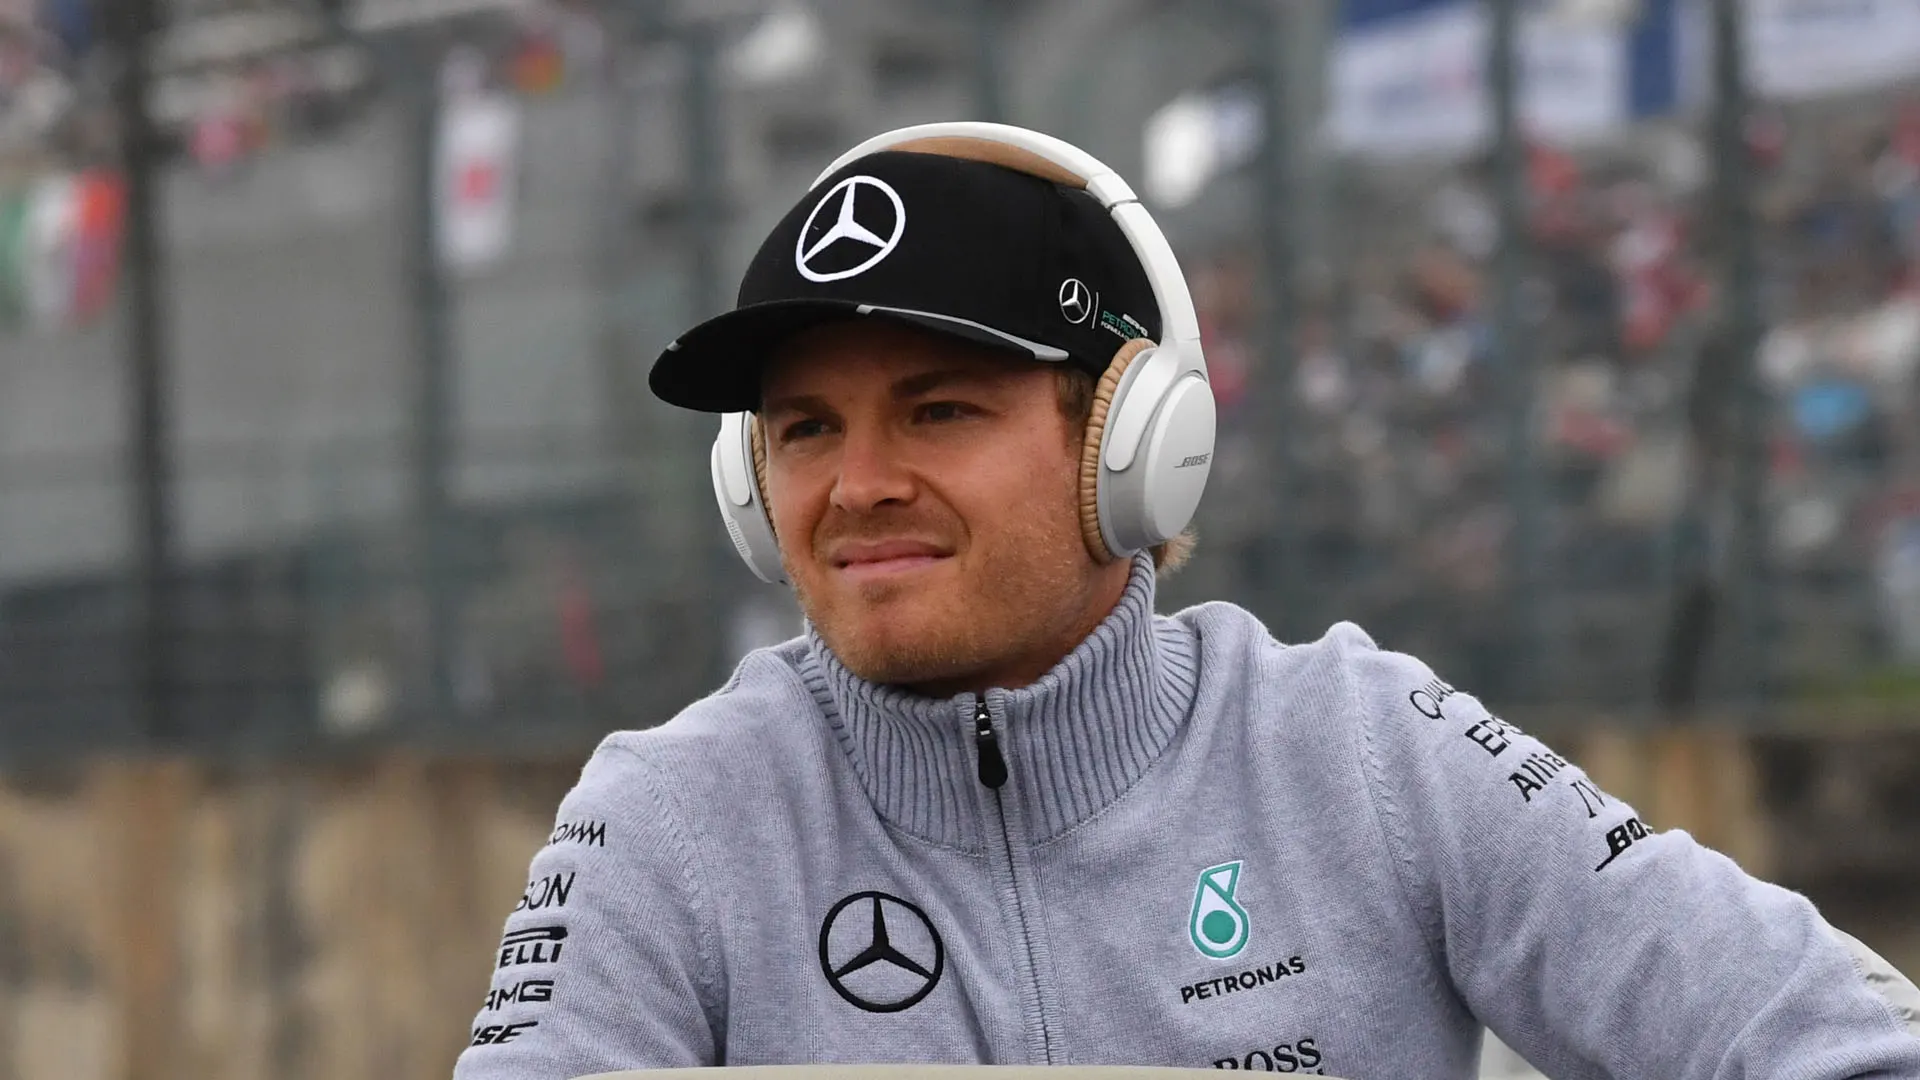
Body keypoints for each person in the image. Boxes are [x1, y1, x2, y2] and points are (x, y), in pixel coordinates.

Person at [453, 123, 1920, 1080]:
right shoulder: (668, 817)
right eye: (806, 430)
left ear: (1136, 449)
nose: (859, 485)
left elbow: (1838, 1043)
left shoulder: (1357, 747)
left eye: (940, 410)